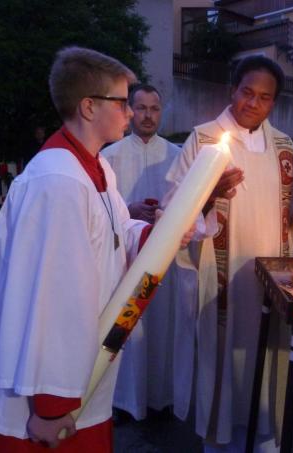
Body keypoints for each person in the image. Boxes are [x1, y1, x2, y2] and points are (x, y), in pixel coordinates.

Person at [0, 46, 191, 452]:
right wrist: (51, 407)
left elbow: (119, 229)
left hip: (78, 375)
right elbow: (54, 298)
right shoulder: (58, 182)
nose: (130, 113)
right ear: (88, 107)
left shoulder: (94, 165)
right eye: (122, 102)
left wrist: (168, 231)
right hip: (45, 392)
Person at [165, 56, 293, 452]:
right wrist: (209, 196)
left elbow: (287, 222)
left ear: (274, 103)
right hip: (223, 284)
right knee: (224, 369)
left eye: (265, 97)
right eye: (247, 92)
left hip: (270, 285)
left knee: (267, 371)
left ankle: (266, 441)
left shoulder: (285, 149)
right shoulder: (203, 141)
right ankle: (219, 444)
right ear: (232, 90)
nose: (253, 104)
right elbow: (174, 213)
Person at [102, 84, 196, 422]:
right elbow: (101, 212)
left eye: (154, 109)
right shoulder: (109, 157)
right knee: (128, 326)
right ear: (129, 111)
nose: (147, 115)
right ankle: (126, 400)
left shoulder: (177, 156)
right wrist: (128, 210)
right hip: (127, 262)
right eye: (140, 108)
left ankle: (162, 396)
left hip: (165, 262)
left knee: (162, 328)